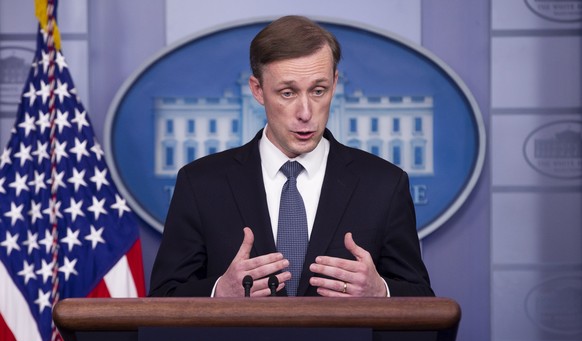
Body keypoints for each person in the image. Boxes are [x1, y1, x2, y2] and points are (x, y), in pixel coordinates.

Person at [149, 15, 433, 298]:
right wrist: (217, 292)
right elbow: (163, 297)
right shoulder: (201, 183)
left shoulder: (384, 184)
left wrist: (380, 291)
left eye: (318, 91)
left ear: (334, 84)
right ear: (258, 90)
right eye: (288, 93)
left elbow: (422, 300)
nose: (306, 113)